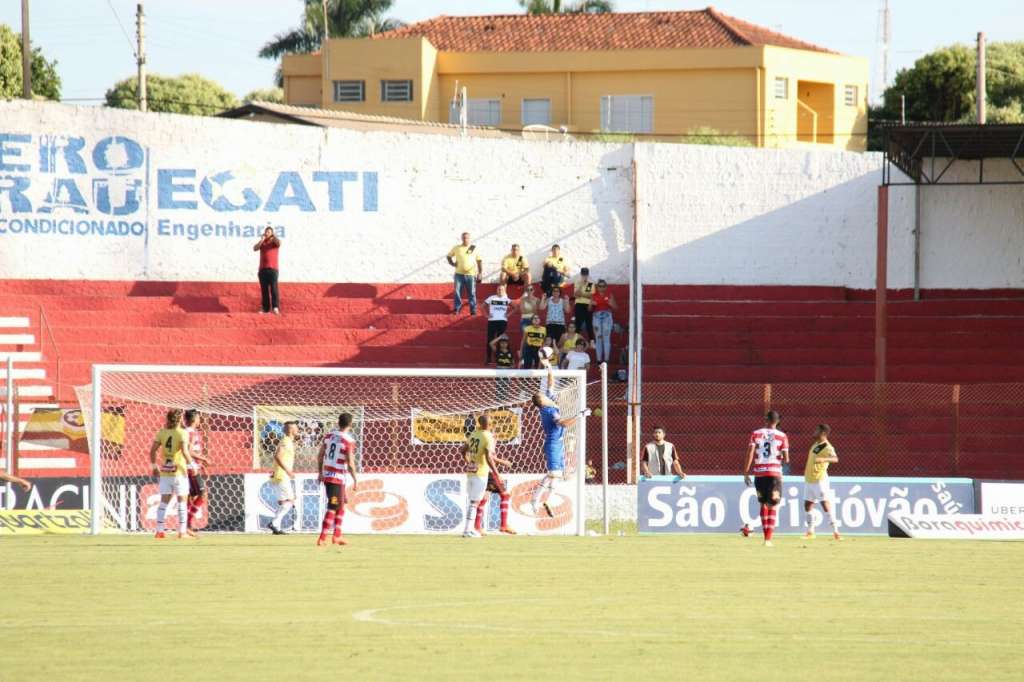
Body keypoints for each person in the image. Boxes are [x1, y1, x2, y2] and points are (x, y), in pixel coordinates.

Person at [530, 361, 585, 518]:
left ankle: (538, 500)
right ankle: (541, 499)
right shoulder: (548, 411)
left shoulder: (550, 401)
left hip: (558, 444)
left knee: (556, 474)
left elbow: (551, 383)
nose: (544, 394)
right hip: (553, 444)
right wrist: (579, 415)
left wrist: (549, 368)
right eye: (542, 395)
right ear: (542, 401)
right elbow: (562, 423)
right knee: (555, 473)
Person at [461, 414, 514, 538]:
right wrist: (499, 469)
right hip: (485, 471)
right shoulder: (488, 436)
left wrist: (469, 463)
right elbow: (489, 457)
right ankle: (476, 528)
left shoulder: (474, 434)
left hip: (473, 472)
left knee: (482, 498)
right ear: (489, 425)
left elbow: (463, 450)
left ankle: (476, 527)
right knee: (503, 494)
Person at [742, 411, 789, 547]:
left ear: (766, 419)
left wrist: (746, 472)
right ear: (778, 421)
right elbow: (786, 459)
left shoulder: (756, 433)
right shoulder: (782, 436)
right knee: (773, 504)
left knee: (763, 504)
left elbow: (750, 453)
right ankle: (769, 539)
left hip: (759, 473)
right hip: (774, 473)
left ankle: (765, 538)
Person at [148, 409, 193, 540]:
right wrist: (192, 466)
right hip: (179, 472)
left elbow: (152, 451)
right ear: (180, 420)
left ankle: (159, 531)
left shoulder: (162, 432)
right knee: (182, 502)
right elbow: (185, 451)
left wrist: (154, 466)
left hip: (165, 472)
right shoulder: (183, 433)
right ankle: (182, 531)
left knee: (163, 502)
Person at [317, 413, 359, 546]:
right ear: (350, 424)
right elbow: (351, 463)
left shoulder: (329, 436)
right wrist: (355, 479)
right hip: (337, 478)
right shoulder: (348, 440)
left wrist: (320, 472)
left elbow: (320, 456)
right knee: (333, 506)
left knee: (341, 506)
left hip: (329, 476)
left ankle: (337, 536)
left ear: (338, 422)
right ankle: (322, 538)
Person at [803, 424, 841, 541]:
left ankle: (836, 531)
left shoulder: (827, 447)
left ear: (823, 433)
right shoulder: (816, 445)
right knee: (808, 505)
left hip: (820, 479)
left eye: (817, 431)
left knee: (825, 504)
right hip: (809, 479)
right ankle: (810, 531)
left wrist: (823, 459)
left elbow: (835, 459)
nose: (814, 432)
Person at [183, 410, 211, 536]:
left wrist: (200, 465)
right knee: (203, 494)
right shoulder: (190, 433)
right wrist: (204, 459)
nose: (200, 420)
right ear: (194, 420)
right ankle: (187, 523)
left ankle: (187, 526)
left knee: (191, 496)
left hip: (193, 467)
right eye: (199, 418)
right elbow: (188, 451)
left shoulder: (191, 432)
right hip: (190, 467)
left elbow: (192, 451)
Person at [268, 421, 299, 535]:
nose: (298, 430)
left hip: (279, 474)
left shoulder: (287, 441)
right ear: (291, 430)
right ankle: (274, 523)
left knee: (285, 501)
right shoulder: (286, 441)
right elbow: (277, 455)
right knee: (290, 501)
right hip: (282, 475)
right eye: (296, 428)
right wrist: (288, 471)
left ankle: (276, 525)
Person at [447, 232, 482, 316]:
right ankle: (457, 309)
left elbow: (479, 260)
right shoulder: (456, 248)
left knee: (472, 293)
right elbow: (448, 256)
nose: (465, 239)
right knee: (457, 292)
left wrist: (480, 272)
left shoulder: (474, 248)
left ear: (469, 238)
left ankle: (473, 310)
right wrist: (452, 263)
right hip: (459, 274)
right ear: (461, 238)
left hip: (471, 275)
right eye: (463, 238)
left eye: (467, 238)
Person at [253, 225, 281, 314]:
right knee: (264, 290)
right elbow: (255, 248)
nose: (267, 233)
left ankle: (275, 307)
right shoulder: (262, 243)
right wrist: (261, 240)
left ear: (272, 233)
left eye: (269, 232)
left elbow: (279, 243)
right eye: (266, 231)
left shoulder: (274, 242)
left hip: (273, 269)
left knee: (274, 289)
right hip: (262, 270)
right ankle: (265, 308)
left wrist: (274, 236)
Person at [484, 283, 514, 364]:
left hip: (502, 321)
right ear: (496, 290)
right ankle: (489, 358)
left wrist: (508, 315)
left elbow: (515, 307)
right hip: (492, 321)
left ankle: (499, 358)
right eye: (498, 289)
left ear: (504, 291)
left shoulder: (506, 299)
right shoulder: (491, 298)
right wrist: (486, 315)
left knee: (501, 340)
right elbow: (483, 306)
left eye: (501, 289)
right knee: (490, 339)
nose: (500, 291)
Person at [590, 280, 618, 365]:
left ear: (606, 287)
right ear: (597, 287)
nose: (601, 288)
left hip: (607, 316)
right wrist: (591, 304)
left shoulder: (609, 295)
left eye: (603, 286)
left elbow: (616, 307)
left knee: (606, 338)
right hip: (596, 316)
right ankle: (599, 360)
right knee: (598, 338)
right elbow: (589, 309)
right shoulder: (593, 296)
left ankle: (606, 360)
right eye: (599, 286)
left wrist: (611, 303)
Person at [571, 267, 596, 340]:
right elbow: (575, 294)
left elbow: (590, 296)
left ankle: (591, 340)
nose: (584, 276)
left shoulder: (590, 283)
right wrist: (581, 284)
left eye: (586, 275)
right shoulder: (577, 282)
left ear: (588, 275)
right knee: (578, 323)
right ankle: (575, 340)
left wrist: (581, 294)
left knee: (589, 323)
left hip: (588, 304)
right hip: (579, 304)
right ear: (581, 274)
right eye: (583, 275)